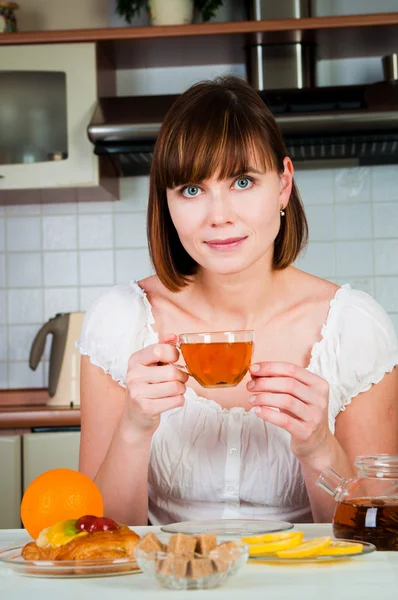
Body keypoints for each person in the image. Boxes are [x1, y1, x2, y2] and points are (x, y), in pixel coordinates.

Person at [77, 76, 398, 527]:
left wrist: (318, 446)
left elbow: (380, 538)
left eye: (243, 181)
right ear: (166, 204)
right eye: (191, 190)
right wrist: (133, 428)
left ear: (283, 184)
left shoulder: (356, 328)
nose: (219, 215)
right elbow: (96, 536)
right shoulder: (117, 322)